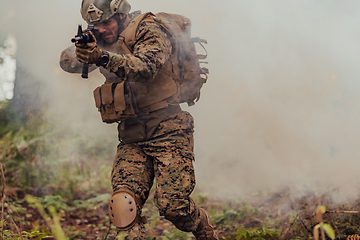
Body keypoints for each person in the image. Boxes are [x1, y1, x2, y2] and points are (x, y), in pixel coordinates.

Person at [60, 0, 218, 239]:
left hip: (169, 130)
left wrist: (102, 56)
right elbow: (68, 63)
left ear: (121, 14)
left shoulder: (148, 27)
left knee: (173, 207)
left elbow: (146, 67)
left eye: (106, 23)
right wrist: (83, 51)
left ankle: (202, 226)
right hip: (131, 135)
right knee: (123, 207)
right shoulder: (101, 39)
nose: (102, 29)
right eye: (95, 25)